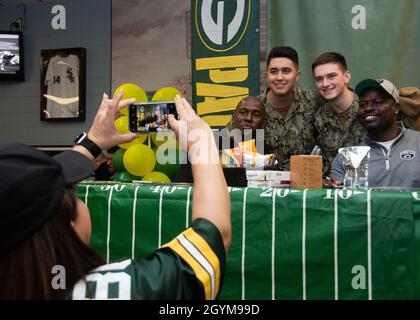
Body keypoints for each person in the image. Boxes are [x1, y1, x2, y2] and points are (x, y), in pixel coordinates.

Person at [0, 92, 231, 299]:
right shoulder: (113, 292)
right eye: (71, 190)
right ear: (64, 224)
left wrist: (91, 143)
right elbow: (214, 235)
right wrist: (202, 143)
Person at [328, 78, 420, 188]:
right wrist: (333, 188)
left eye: (377, 102)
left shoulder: (417, 143)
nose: (368, 108)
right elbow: (342, 201)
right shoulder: (348, 157)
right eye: (362, 104)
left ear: (396, 108)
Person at [254, 46, 321, 170]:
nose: (279, 77)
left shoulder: (313, 101)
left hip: (305, 184)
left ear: (297, 75)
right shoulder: (253, 108)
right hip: (263, 186)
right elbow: (227, 142)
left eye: (286, 71)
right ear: (267, 75)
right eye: (274, 71)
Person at [311, 52, 366, 174]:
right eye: (319, 79)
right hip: (334, 189)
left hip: (371, 187)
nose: (325, 84)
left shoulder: (367, 109)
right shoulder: (320, 118)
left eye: (331, 76)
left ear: (346, 76)